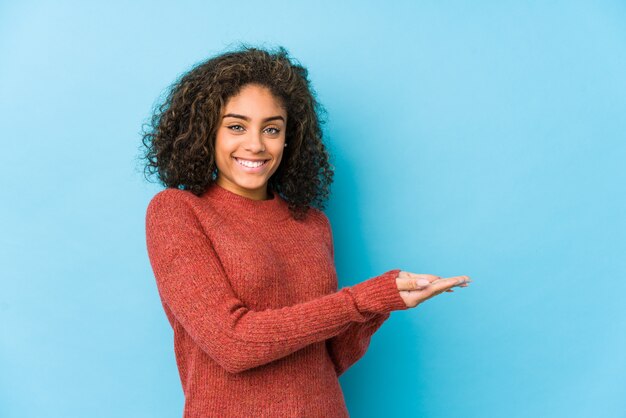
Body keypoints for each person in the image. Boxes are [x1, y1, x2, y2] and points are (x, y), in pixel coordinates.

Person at [141, 44, 471, 418]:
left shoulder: (312, 223)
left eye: (271, 129)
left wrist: (386, 302)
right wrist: (362, 300)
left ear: (288, 138)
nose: (255, 144)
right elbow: (233, 344)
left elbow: (326, 358)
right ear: (206, 132)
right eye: (236, 126)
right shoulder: (177, 211)